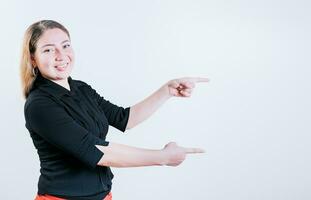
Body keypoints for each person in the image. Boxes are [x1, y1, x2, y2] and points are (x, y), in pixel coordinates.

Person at [20, 20, 209, 200]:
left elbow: (124, 118)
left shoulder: (81, 89)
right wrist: (163, 157)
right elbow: (97, 151)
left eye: (65, 45)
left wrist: (166, 91)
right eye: (48, 50)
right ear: (33, 59)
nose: (61, 55)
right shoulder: (39, 105)